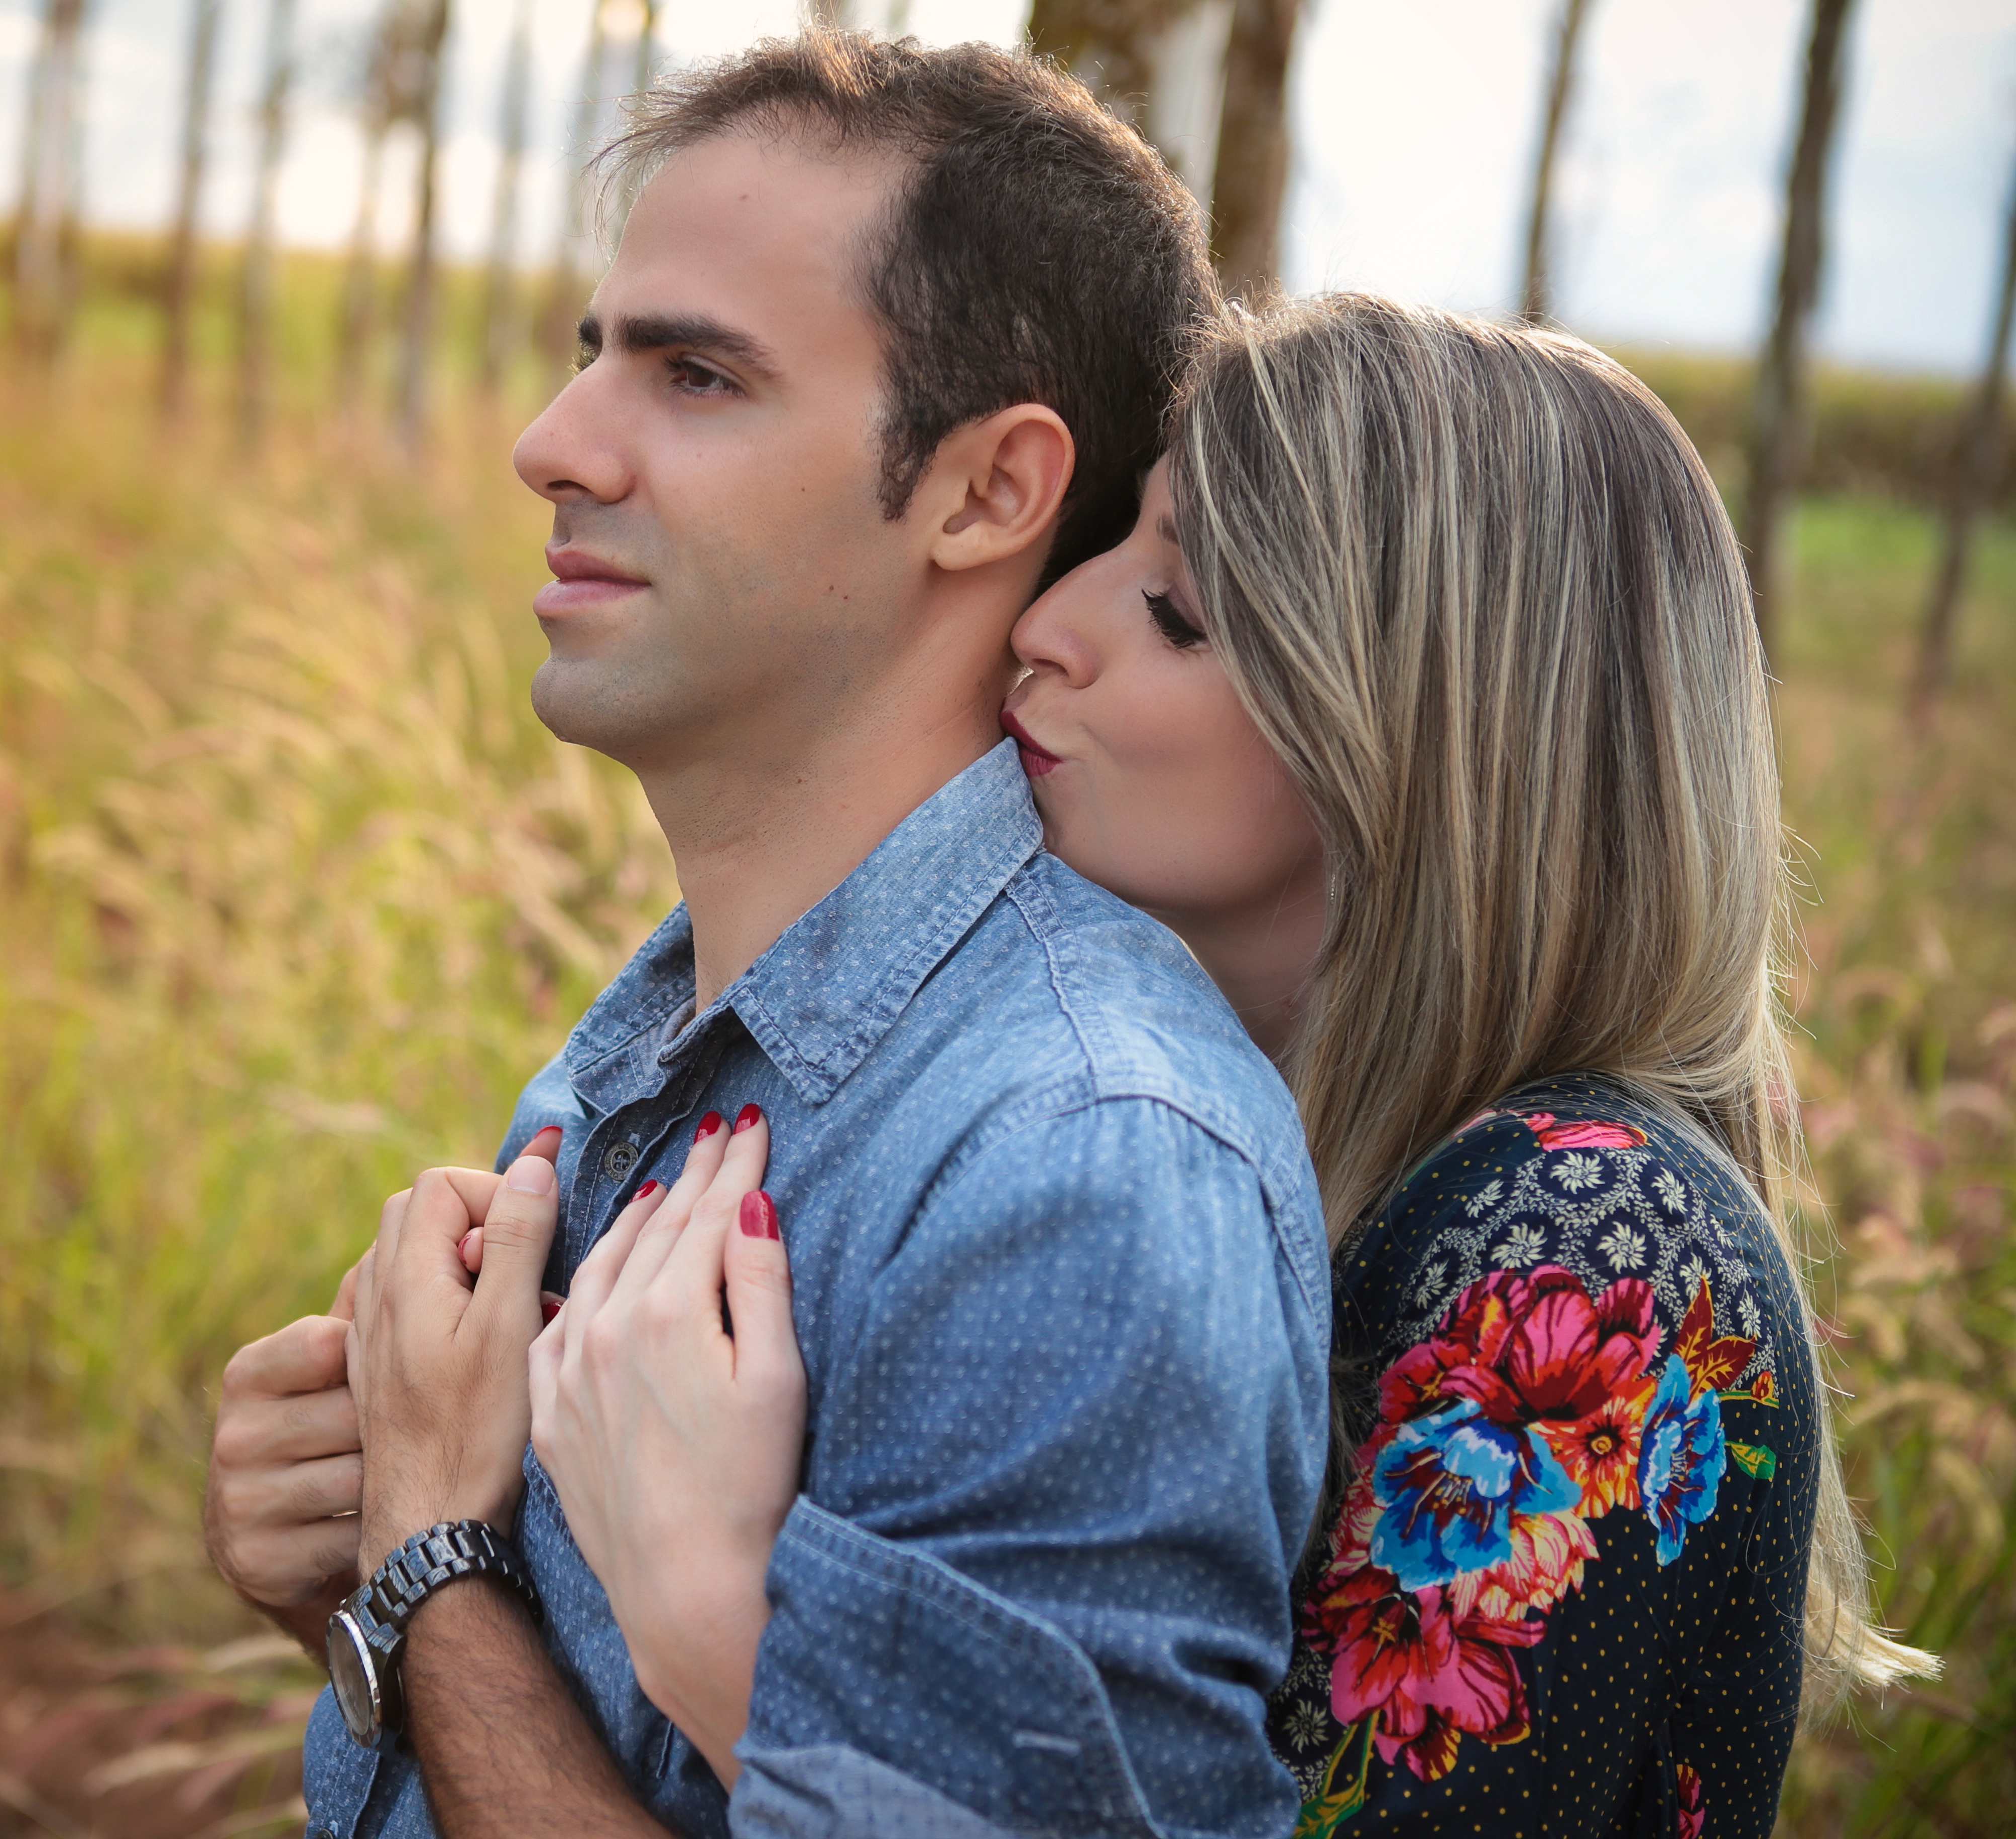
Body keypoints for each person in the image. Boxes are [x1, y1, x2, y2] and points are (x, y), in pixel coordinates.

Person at [522, 295, 1942, 1837]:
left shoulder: (1596, 1243)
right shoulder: (1198, 1137)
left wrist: (711, 1614)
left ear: (1418, 738)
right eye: (1106, 556)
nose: (1047, 628)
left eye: (1177, 612)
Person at [201, 31, 1332, 1839]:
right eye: (594, 353)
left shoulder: (1077, 1170)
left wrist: (428, 1563)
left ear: (985, 492)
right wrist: (353, 1595)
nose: (552, 444)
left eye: (698, 376)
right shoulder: (694, 1021)